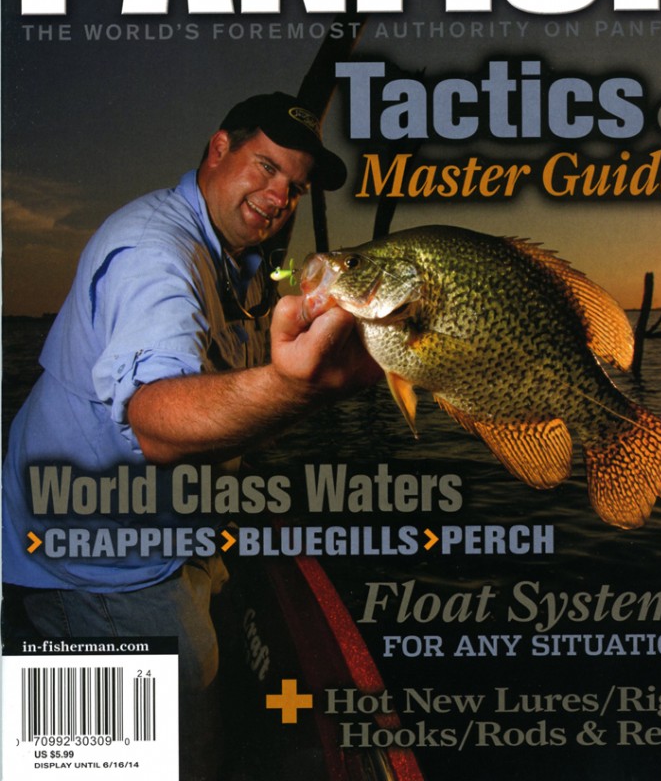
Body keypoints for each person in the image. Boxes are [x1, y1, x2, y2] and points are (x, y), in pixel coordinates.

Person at [1, 92, 380, 779]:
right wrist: (299, 388)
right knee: (178, 754)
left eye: (295, 187)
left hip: (177, 534)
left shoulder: (241, 259)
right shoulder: (156, 252)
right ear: (217, 149)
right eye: (265, 167)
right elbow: (155, 420)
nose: (279, 197)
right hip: (101, 570)